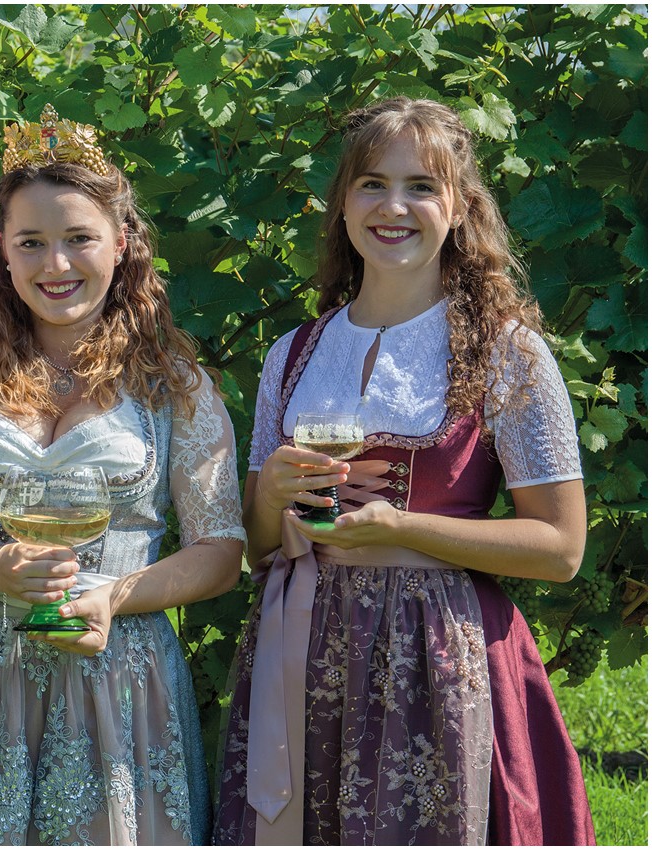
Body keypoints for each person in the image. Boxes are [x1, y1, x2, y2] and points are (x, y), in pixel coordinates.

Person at [212, 97, 595, 845]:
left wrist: (400, 526)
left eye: (422, 185)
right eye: (371, 184)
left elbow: (563, 548)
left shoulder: (506, 353)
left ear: (459, 209)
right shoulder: (290, 354)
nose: (395, 206)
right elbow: (257, 545)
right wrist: (274, 501)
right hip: (302, 642)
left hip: (438, 652)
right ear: (343, 207)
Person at [0, 104, 245, 845]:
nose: (56, 264)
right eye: (33, 243)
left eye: (79, 238)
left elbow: (220, 552)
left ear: (121, 244)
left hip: (120, 674)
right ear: (4, 253)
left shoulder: (175, 386)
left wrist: (113, 598)